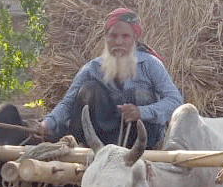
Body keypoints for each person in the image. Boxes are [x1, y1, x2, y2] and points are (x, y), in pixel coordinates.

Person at [37, 8, 183, 149]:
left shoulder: (151, 65)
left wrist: (141, 111)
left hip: (141, 140)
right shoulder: (92, 68)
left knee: (141, 96)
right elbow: (68, 103)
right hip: (102, 141)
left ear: (134, 39)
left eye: (125, 36)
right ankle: (84, 145)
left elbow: (175, 101)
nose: (118, 42)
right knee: (88, 89)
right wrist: (47, 124)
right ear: (106, 38)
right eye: (113, 36)